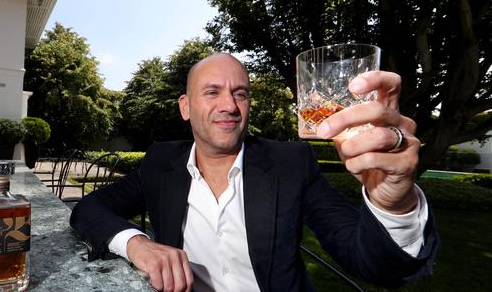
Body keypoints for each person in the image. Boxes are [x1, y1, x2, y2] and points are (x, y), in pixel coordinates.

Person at [70, 53, 438, 292]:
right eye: (212, 92)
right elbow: (87, 210)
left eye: (240, 94)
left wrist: (394, 202)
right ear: (185, 107)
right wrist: (139, 245)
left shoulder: (291, 163)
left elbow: (374, 265)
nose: (229, 105)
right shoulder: (160, 164)